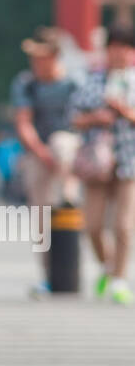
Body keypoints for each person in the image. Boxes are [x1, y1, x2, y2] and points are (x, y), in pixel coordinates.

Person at [11, 26, 81, 295]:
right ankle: (47, 275)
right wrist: (41, 153)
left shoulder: (72, 83)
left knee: (62, 143)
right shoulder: (26, 83)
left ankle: (68, 193)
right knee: (40, 218)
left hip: (68, 152)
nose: (36, 62)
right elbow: (23, 123)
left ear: (54, 56)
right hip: (38, 155)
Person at [70, 24, 135, 305]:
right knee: (93, 225)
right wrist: (96, 117)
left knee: (123, 224)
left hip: (129, 159)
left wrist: (124, 111)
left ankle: (119, 279)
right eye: (114, 47)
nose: (119, 53)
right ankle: (108, 266)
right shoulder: (93, 80)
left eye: (125, 47)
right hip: (97, 161)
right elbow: (74, 116)